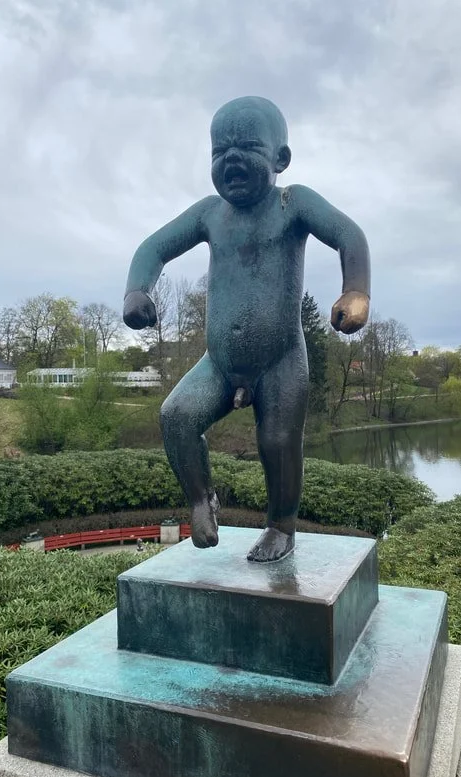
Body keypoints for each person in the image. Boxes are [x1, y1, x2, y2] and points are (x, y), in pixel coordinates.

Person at [123, 96, 370, 563]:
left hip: (280, 359)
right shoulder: (209, 214)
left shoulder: (291, 202)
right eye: (219, 152)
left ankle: (281, 524)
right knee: (176, 416)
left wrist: (355, 291)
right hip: (219, 363)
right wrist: (138, 290)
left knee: (277, 443)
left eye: (247, 148)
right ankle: (201, 499)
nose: (230, 160)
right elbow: (153, 247)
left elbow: (348, 234)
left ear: (280, 158)